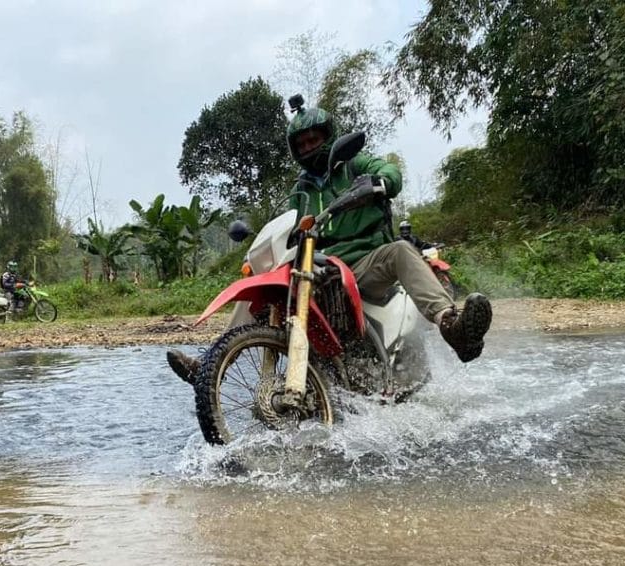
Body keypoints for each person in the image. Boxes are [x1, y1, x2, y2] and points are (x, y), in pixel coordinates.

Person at [167, 101, 492, 384]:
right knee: (257, 281)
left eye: (314, 139)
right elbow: (291, 224)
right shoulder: (300, 190)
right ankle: (213, 366)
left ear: (328, 137)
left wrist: (379, 182)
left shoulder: (354, 164)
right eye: (302, 143)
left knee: (401, 251)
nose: (309, 147)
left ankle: (452, 325)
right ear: (296, 150)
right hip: (320, 268)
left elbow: (390, 172)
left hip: (366, 262)